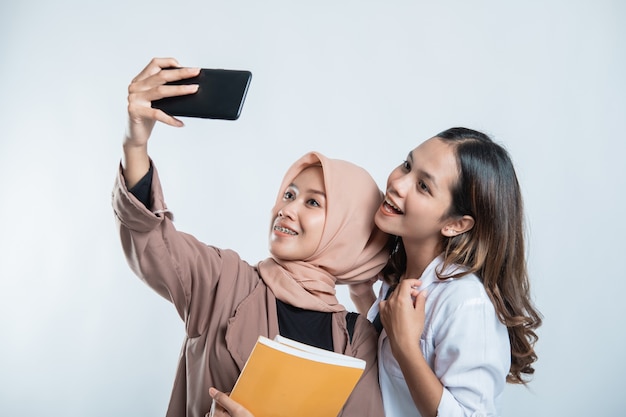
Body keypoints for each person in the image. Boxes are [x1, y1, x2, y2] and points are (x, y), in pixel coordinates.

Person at [112, 57, 390, 417]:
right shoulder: (224, 280)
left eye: (313, 203)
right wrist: (135, 143)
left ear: (347, 230)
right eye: (288, 195)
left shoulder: (357, 341)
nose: (287, 209)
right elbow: (151, 238)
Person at [349, 127, 542, 417]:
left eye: (423, 186)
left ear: (456, 224)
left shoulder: (467, 302)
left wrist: (407, 350)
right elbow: (387, 376)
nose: (399, 184)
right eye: (407, 165)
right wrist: (363, 296)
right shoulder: (402, 274)